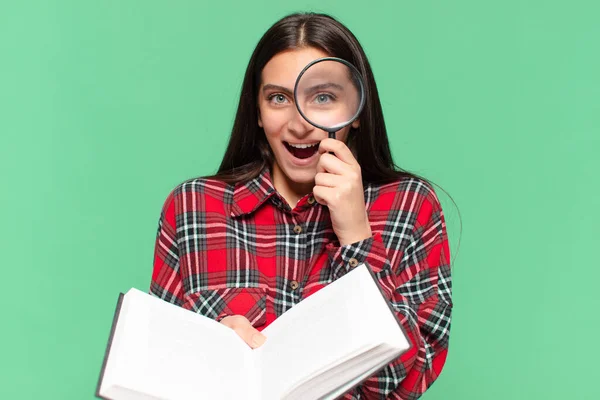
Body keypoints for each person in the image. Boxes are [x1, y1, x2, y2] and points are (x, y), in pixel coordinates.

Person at [150, 12, 452, 399]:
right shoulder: (193, 207)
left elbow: (403, 385)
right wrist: (210, 357)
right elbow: (156, 378)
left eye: (323, 97)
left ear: (357, 111)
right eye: (278, 98)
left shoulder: (411, 206)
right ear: (257, 112)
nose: (299, 124)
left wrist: (357, 240)